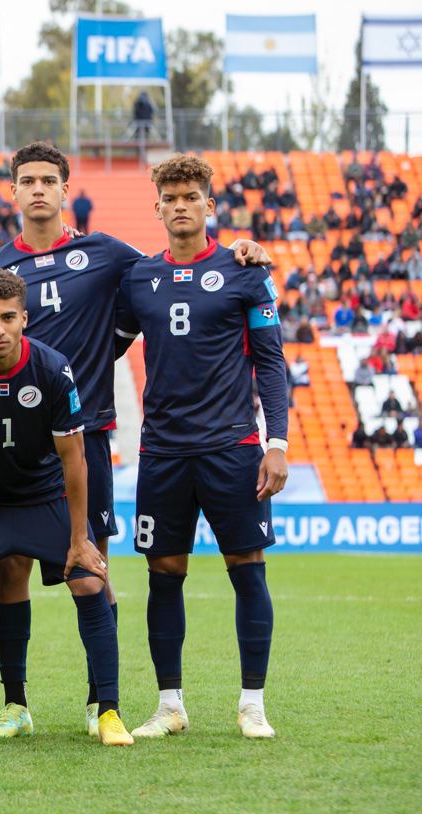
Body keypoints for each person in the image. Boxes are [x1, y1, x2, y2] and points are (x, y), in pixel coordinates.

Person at [0, 140, 269, 738]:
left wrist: (244, 247)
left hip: (88, 435)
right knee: (13, 570)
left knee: (93, 567)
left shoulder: (107, 253)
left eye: (47, 180)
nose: (37, 190)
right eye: (25, 180)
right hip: (13, 441)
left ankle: (99, 703)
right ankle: (14, 704)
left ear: (64, 188)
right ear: (12, 191)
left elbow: (175, 273)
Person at [115, 154, 289, 740]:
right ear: (158, 206)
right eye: (172, 196)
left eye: (193, 195)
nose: (182, 204)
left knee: (248, 570)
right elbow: (103, 349)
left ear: (209, 205)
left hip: (233, 448)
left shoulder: (245, 270)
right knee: (163, 574)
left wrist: (278, 442)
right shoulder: (139, 278)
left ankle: (253, 704)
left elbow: (270, 363)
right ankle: (170, 705)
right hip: (163, 451)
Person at [0, 268, 133, 747]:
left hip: (44, 498)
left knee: (90, 580)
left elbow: (74, 458)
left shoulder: (52, 368)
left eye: (6, 318)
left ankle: (108, 711)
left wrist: (80, 540)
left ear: (24, 318)